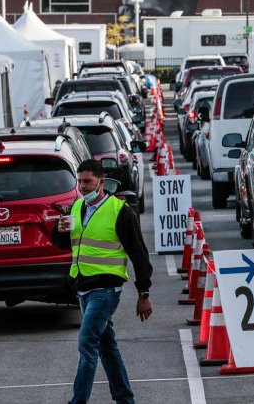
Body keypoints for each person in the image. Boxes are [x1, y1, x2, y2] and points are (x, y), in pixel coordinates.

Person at [51, 159, 153, 404]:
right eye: (80, 181)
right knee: (106, 347)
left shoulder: (120, 211)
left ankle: (78, 401)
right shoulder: (76, 208)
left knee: (87, 343)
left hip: (106, 290)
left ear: (101, 182)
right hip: (83, 288)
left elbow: (139, 254)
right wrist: (59, 230)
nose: (83, 187)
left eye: (88, 182)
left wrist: (144, 293)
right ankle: (125, 399)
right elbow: (63, 242)